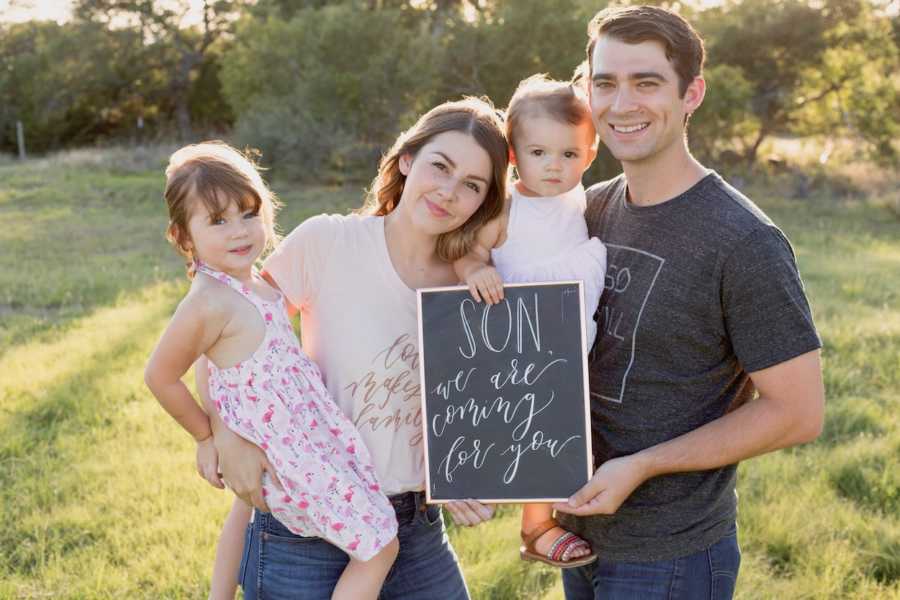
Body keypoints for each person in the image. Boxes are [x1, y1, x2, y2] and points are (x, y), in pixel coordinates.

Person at [551, 6, 826, 599]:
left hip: (670, 555)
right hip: (577, 531)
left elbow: (799, 412)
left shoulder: (745, 241)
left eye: (646, 82)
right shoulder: (587, 209)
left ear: (691, 93)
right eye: (605, 82)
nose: (621, 104)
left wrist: (644, 465)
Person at [193, 97, 509, 599]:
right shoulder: (329, 242)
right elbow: (227, 336)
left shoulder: (477, 291)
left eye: (472, 185)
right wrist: (221, 435)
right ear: (407, 160)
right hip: (309, 525)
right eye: (439, 167)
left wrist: (469, 473)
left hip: (417, 525)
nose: (449, 192)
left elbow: (485, 406)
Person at [143, 141, 400, 600]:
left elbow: (213, 363)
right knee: (380, 545)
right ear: (184, 238)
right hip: (288, 456)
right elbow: (160, 375)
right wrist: (206, 436)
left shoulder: (252, 284)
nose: (240, 231)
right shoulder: (207, 301)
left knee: (245, 513)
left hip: (299, 439)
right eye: (217, 221)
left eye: (248, 213)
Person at [453, 74, 606, 568]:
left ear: (590, 153)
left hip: (568, 330)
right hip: (518, 337)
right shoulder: (506, 209)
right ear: (515, 153)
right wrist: (478, 270)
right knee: (519, 420)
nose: (555, 167)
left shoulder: (581, 201)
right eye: (539, 153)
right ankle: (534, 524)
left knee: (556, 426)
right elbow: (466, 251)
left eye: (569, 154)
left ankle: (545, 516)